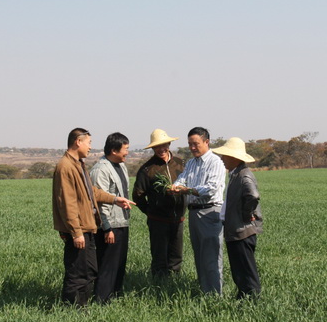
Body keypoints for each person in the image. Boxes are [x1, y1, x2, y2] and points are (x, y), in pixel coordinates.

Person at [52, 128, 135, 307]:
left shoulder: (78, 164)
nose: (90, 147)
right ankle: (72, 309)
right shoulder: (66, 167)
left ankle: (82, 307)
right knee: (78, 272)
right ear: (78, 142)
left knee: (88, 270)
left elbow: (93, 192)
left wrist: (115, 199)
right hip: (79, 229)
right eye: (88, 143)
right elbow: (68, 203)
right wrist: (76, 232)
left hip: (87, 226)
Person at [170, 127, 226, 294]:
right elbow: (182, 178)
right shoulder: (191, 163)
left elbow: (211, 188)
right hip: (194, 212)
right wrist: (175, 186)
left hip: (210, 212)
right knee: (200, 255)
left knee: (212, 257)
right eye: (190, 144)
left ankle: (214, 294)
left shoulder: (215, 162)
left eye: (195, 144)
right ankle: (204, 290)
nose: (192, 147)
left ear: (206, 142)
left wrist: (188, 190)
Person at [212, 137, 263, 298]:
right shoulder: (235, 174)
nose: (222, 159)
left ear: (234, 157)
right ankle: (243, 297)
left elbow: (253, 196)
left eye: (225, 156)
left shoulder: (243, 176)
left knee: (246, 270)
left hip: (243, 231)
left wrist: (247, 215)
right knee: (239, 269)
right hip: (236, 230)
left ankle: (252, 299)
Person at [132, 129, 186, 278]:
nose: (161, 149)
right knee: (159, 258)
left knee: (176, 257)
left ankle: (174, 284)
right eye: (157, 146)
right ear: (153, 148)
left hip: (178, 220)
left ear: (169, 144)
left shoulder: (181, 164)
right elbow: (138, 196)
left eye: (163, 145)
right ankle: (158, 285)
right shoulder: (147, 169)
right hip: (158, 221)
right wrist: (151, 211)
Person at [90, 132, 131, 303]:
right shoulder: (100, 170)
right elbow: (99, 202)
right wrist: (107, 228)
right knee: (107, 265)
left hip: (121, 222)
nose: (127, 152)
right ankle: (102, 300)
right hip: (109, 226)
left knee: (119, 264)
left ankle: (115, 297)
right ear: (114, 150)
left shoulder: (121, 166)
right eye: (125, 149)